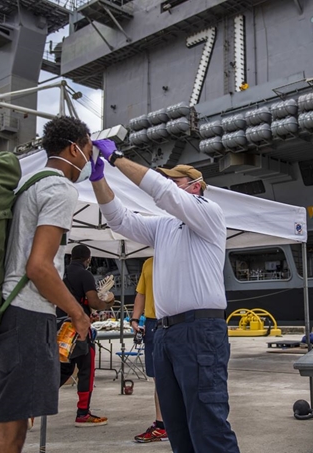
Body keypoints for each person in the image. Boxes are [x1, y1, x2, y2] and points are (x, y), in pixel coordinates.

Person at [90, 139, 240, 453]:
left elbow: (163, 193)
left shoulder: (209, 213)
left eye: (176, 180)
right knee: (177, 426)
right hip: (166, 332)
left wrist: (117, 158)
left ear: (196, 187)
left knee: (208, 424)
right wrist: (98, 181)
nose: (169, 184)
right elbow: (120, 220)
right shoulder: (165, 226)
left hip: (199, 331)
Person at [0, 116, 92, 453]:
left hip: (0, 315)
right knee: (13, 428)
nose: (89, 158)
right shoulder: (61, 188)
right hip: (27, 317)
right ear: (73, 148)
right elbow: (39, 267)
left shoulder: (27, 185)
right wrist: (77, 314)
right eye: (88, 149)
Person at [58, 244, 115, 427]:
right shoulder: (85, 275)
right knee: (86, 368)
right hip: (79, 329)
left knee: (63, 370)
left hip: (60, 328)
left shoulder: (61, 273)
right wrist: (108, 302)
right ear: (88, 259)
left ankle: (32, 407)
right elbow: (94, 302)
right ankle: (83, 413)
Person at [131, 257, 168, 443]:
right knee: (158, 377)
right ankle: (162, 425)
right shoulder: (148, 263)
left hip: (176, 321)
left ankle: (173, 423)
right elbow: (141, 294)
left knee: (180, 375)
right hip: (153, 324)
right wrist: (135, 320)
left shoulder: (180, 256)